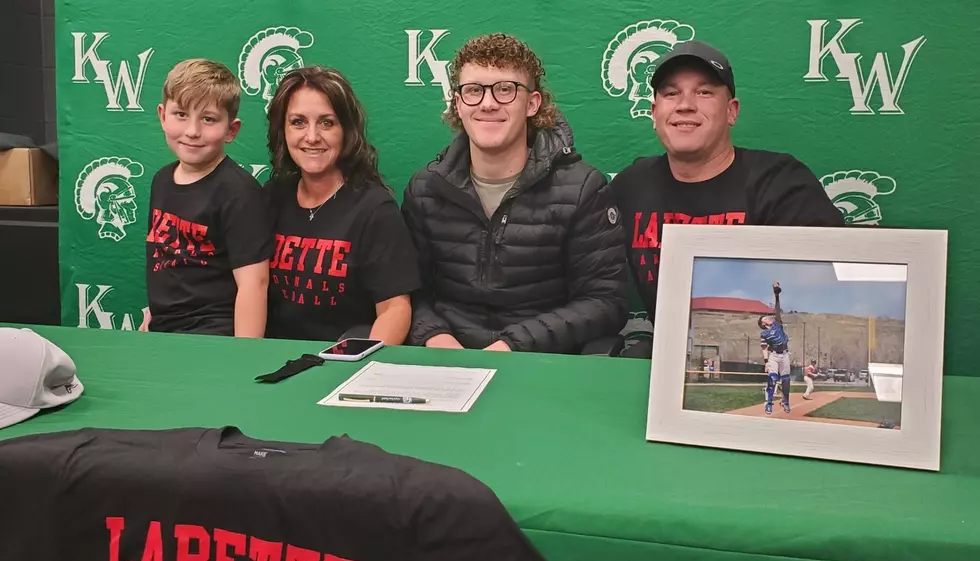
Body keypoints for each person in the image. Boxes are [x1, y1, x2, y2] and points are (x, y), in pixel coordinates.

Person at [610, 41, 844, 358]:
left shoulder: (782, 184)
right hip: (670, 355)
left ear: (731, 111)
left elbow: (818, 295)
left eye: (704, 92)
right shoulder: (630, 186)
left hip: (759, 352)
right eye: (671, 93)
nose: (685, 105)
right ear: (654, 113)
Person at [402, 33, 628, 354]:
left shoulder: (582, 188)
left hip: (540, 364)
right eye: (474, 90)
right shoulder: (425, 189)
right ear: (458, 103)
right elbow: (407, 291)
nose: (488, 102)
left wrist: (512, 344)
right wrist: (435, 337)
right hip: (447, 358)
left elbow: (605, 301)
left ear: (532, 104)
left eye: (506, 89)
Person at [264, 66, 420, 344]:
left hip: (342, 364)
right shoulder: (272, 196)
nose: (312, 136)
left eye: (327, 122)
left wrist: (360, 369)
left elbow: (395, 309)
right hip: (276, 364)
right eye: (298, 122)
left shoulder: (374, 209)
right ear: (282, 130)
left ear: (346, 131)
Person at [141, 59, 272, 337]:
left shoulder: (238, 192)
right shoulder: (161, 180)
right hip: (164, 330)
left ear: (231, 130)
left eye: (208, 119)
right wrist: (153, 313)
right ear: (162, 115)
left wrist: (244, 356)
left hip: (214, 333)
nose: (192, 131)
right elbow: (165, 259)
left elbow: (254, 284)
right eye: (181, 114)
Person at [760, 281, 791, 415]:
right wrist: (766, 363)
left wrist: (776, 294)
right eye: (766, 318)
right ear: (763, 323)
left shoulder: (777, 323)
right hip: (774, 356)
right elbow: (764, 348)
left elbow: (777, 308)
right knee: (772, 379)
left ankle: (786, 402)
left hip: (784, 355)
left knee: (786, 381)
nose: (769, 317)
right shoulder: (764, 333)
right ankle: (769, 403)